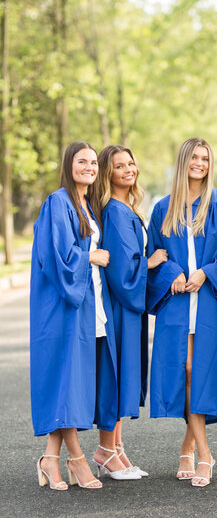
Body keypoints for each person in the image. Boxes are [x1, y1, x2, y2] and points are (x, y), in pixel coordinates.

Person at [147, 137, 217, 487]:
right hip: (177, 301)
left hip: (208, 298)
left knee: (198, 370)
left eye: (205, 158)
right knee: (183, 369)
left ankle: (193, 449)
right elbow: (155, 253)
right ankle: (202, 450)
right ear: (183, 161)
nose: (199, 163)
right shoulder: (163, 207)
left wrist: (206, 271)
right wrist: (172, 273)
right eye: (194, 157)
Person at [31, 141, 118, 490]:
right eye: (82, 161)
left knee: (70, 383)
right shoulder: (58, 202)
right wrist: (91, 258)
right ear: (68, 165)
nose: (89, 167)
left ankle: (50, 460)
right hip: (64, 307)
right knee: (65, 381)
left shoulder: (86, 205)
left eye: (94, 163)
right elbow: (56, 257)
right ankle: (77, 460)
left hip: (87, 305)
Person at [95, 144, 168, 479]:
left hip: (129, 306)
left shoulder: (127, 207)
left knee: (125, 373)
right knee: (116, 373)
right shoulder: (113, 210)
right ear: (107, 172)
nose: (128, 169)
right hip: (120, 305)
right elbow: (122, 267)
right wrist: (150, 262)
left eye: (131, 163)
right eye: (118, 165)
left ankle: (116, 448)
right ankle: (106, 449)